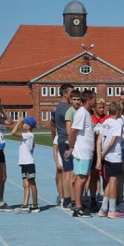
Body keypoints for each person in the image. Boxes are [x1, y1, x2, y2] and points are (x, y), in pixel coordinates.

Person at [66, 89, 95, 218]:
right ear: (89, 100)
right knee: (81, 178)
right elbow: (72, 132)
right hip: (82, 151)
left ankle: (79, 204)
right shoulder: (82, 113)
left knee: (83, 178)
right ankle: (78, 207)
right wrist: (72, 147)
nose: (95, 100)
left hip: (86, 150)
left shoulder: (86, 113)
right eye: (94, 98)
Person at [97, 100, 124, 219]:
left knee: (109, 182)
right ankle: (112, 210)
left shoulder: (105, 122)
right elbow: (112, 141)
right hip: (114, 156)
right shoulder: (116, 124)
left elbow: (99, 140)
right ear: (118, 112)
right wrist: (105, 153)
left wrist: (100, 157)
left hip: (107, 157)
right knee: (114, 182)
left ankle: (104, 208)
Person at [51, 83, 74, 211]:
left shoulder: (57, 107)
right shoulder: (66, 108)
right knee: (68, 171)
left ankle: (66, 198)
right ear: (65, 93)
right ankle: (67, 199)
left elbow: (53, 125)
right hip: (66, 141)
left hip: (61, 139)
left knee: (66, 171)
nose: (74, 95)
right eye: (72, 93)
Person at [11, 116, 40, 213]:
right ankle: (25, 205)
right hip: (24, 163)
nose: (23, 125)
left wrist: (18, 122)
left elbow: (13, 132)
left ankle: (35, 204)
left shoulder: (29, 135)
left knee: (32, 183)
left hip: (29, 163)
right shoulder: (28, 136)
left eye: (24, 123)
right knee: (25, 184)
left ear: (29, 126)